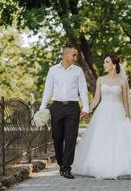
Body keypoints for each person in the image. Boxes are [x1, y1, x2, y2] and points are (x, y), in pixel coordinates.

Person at [72, 54, 131, 179]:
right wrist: (87, 109)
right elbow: (96, 99)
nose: (104, 64)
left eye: (106, 62)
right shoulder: (100, 80)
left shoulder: (122, 81)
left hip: (117, 111)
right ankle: (98, 165)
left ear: (114, 65)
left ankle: (121, 165)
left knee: (119, 138)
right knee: (101, 138)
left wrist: (127, 115)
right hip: (102, 112)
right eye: (104, 62)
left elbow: (125, 101)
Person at [39, 45, 89, 179]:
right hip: (56, 107)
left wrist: (86, 108)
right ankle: (61, 164)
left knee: (71, 138)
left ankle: (67, 167)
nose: (75, 57)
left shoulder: (78, 71)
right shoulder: (53, 70)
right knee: (57, 138)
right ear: (65, 55)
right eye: (74, 55)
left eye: (76, 55)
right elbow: (47, 90)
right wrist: (42, 108)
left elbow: (83, 90)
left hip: (73, 108)